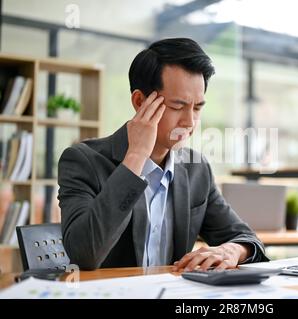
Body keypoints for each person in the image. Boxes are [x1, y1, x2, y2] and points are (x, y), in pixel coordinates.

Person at [57, 38, 269, 270]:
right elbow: (84, 254)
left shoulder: (195, 169)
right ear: (140, 101)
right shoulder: (82, 160)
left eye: (197, 108)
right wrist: (136, 156)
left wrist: (232, 250)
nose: (189, 122)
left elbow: (246, 239)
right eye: (177, 107)